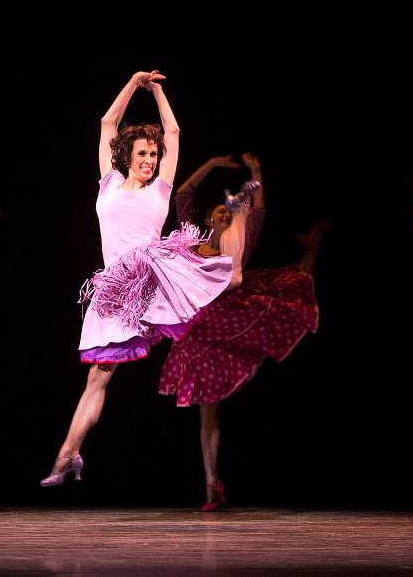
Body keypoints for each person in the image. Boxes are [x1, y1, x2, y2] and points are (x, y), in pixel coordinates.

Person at [41, 71, 233, 487]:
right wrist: (132, 83)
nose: (149, 161)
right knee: (98, 375)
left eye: (153, 154)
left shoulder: (160, 190)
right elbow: (108, 124)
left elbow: (175, 130)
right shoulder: (107, 184)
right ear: (126, 155)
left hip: (150, 283)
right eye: (143, 154)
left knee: (103, 373)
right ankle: (68, 452)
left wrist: (159, 91)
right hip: (114, 291)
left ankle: (68, 452)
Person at [158, 153, 325, 510]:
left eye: (228, 212)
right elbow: (182, 195)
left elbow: (258, 212)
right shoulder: (191, 243)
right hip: (201, 336)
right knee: (207, 415)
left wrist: (257, 172)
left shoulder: (238, 244)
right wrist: (213, 164)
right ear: (207, 220)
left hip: (233, 322)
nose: (224, 214)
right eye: (218, 212)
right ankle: (210, 483)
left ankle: (313, 252)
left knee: (293, 285)